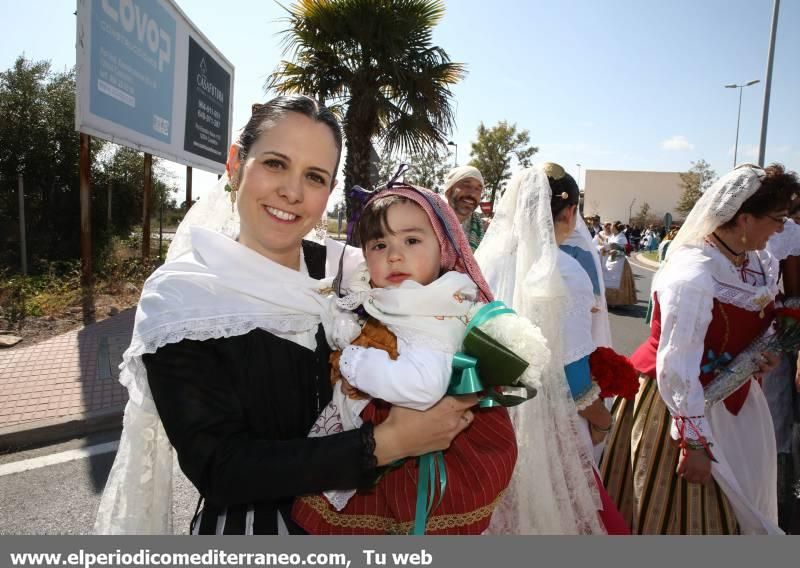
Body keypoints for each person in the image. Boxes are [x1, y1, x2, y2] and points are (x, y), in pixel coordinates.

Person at [94, 95, 477, 535]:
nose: (292, 192)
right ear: (236, 164)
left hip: (374, 522)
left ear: (329, 192)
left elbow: (445, 313)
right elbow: (221, 467)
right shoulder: (183, 297)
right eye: (275, 163)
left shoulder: (351, 269)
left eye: (314, 177)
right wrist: (388, 444)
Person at [292, 184, 535, 534]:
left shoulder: (434, 307)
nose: (394, 255)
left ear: (444, 247)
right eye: (379, 244)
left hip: (420, 448)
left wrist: (352, 361)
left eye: (411, 241)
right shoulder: (392, 296)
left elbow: (422, 385)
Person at [601, 163, 799, 534]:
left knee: (746, 501)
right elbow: (677, 362)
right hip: (680, 406)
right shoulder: (693, 274)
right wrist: (693, 442)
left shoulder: (754, 262)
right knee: (687, 516)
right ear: (743, 219)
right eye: (776, 219)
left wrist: (764, 355)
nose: (781, 229)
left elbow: (753, 322)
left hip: (738, 401)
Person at [477, 164, 628, 534]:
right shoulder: (564, 270)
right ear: (570, 213)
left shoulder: (486, 261)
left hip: (487, 419)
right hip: (547, 423)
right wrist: (602, 421)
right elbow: (572, 371)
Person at [443, 165, 486, 250]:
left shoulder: (487, 231)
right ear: (448, 190)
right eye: (466, 185)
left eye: (478, 189)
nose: (472, 194)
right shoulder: (428, 224)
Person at [597, 222, 637, 306]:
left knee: (616, 281)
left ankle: (616, 301)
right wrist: (602, 247)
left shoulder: (622, 237)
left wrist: (616, 251)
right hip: (610, 260)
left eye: (611, 226)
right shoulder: (612, 236)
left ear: (615, 228)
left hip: (619, 262)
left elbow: (625, 251)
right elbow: (608, 245)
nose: (610, 228)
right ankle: (608, 301)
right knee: (606, 278)